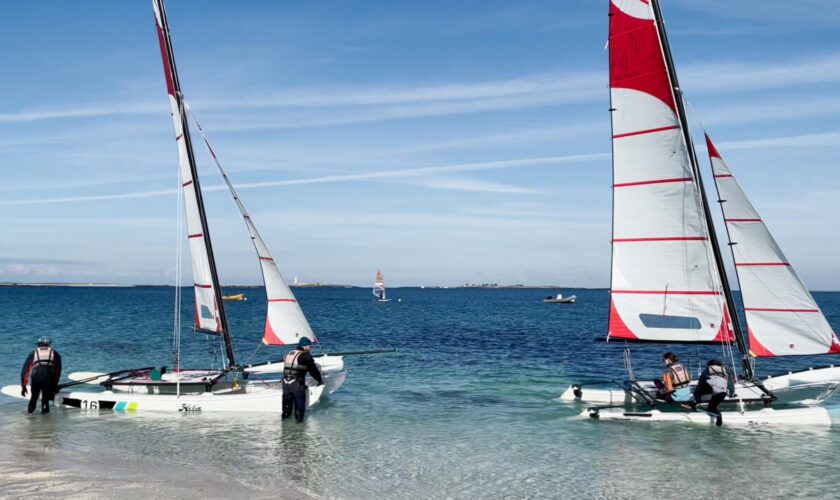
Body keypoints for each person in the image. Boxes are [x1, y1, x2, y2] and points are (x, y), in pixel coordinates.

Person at [282, 337, 324, 422]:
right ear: (305, 346)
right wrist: (320, 381)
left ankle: (284, 428)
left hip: (285, 384)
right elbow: (314, 371)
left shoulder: (289, 353)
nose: (310, 348)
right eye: (309, 346)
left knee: (286, 409)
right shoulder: (305, 356)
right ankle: (300, 431)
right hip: (297, 385)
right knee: (299, 410)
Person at [20, 336, 62, 414]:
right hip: (48, 377)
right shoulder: (55, 353)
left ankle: (30, 418)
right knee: (45, 400)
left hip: (36, 377)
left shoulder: (33, 353)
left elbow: (25, 371)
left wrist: (23, 386)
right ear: (49, 344)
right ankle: (45, 422)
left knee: (33, 398)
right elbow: (58, 371)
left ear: (39, 345)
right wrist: (55, 385)